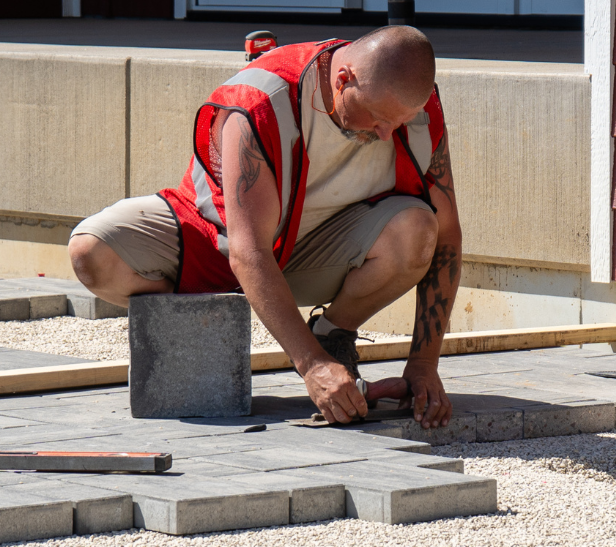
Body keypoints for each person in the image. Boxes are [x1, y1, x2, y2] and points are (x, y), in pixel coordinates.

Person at [70, 26, 460, 428]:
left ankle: (333, 335)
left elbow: (447, 235)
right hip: (217, 239)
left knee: (419, 229)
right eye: (378, 119)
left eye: (398, 123)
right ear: (343, 80)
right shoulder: (259, 102)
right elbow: (248, 250)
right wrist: (312, 366)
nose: (386, 134)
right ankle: (201, 312)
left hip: (314, 251)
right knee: (92, 253)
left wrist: (424, 364)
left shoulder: (413, 109)